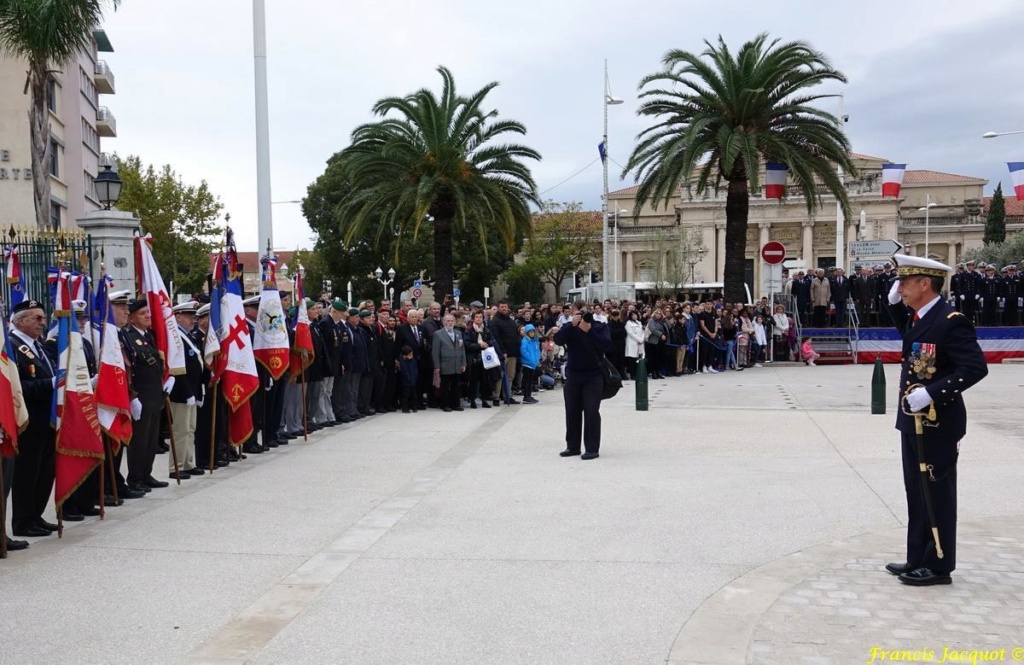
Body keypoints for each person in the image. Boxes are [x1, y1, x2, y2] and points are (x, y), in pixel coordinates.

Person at [884, 254, 988, 586]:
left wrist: (932, 393)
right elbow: (911, 337)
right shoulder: (920, 317)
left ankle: (940, 563)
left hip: (937, 421)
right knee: (916, 491)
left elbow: (974, 368)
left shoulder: (951, 319)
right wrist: (895, 307)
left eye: (904, 282)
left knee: (936, 493)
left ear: (925, 284)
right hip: (912, 420)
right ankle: (918, 556)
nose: (899, 287)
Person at [554, 311, 610, 460]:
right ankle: (573, 446)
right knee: (572, 410)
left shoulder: (600, 327)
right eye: (579, 314)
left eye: (586, 314)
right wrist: (571, 325)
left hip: (594, 375)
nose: (583, 317)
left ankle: (592, 448)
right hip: (573, 375)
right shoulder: (569, 327)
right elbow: (558, 340)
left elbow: (606, 345)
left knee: (591, 410)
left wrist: (590, 331)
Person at [431, 314, 467, 412]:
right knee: (445, 386)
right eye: (448, 321)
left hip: (456, 363)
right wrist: (437, 366)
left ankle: (456, 404)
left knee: (456, 385)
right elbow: (435, 351)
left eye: (451, 321)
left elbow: (462, 348)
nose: (450, 323)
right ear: (444, 322)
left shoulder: (458, 333)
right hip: (445, 363)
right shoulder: (438, 334)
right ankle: (445, 404)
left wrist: (463, 363)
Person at [519, 324, 541, 404]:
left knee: (530, 380)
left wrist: (537, 359)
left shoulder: (535, 341)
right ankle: (526, 396)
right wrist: (531, 359)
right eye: (530, 332)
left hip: (533, 364)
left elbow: (537, 351)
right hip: (527, 364)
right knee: (527, 380)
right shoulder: (525, 341)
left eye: (532, 332)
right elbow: (523, 351)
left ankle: (529, 395)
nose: (531, 333)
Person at [623, 310, 645, 379]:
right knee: (632, 360)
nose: (634, 316)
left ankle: (639, 373)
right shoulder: (628, 323)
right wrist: (638, 339)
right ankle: (633, 375)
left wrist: (641, 339)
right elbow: (630, 333)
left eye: (635, 315)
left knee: (639, 359)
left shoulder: (639, 323)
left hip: (640, 343)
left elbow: (643, 331)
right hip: (632, 342)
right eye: (633, 315)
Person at [399, 346, 419, 413]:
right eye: (410, 355)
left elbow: (415, 369)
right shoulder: (403, 362)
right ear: (404, 356)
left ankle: (414, 407)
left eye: (412, 354)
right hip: (406, 382)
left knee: (414, 395)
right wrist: (409, 379)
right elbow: (405, 371)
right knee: (406, 396)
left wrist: (415, 377)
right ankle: (405, 408)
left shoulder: (413, 360)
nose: (411, 356)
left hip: (413, 380)